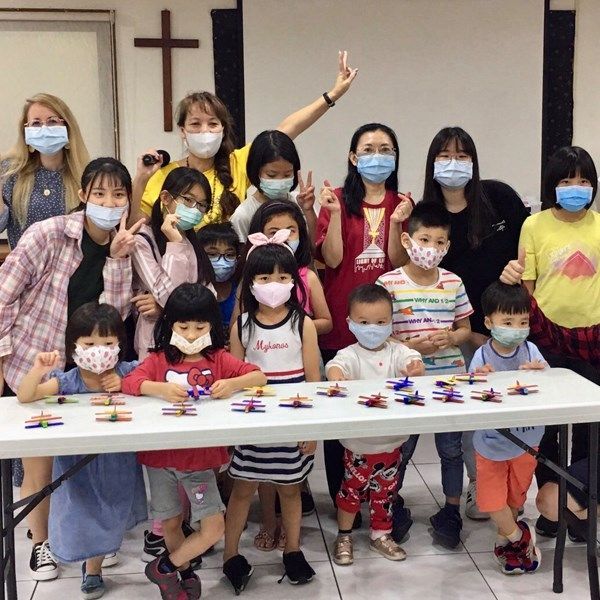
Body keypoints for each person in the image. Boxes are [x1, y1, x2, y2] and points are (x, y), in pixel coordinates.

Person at [0, 157, 141, 581]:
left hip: (90, 366)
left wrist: (116, 260)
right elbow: (4, 294)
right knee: (40, 464)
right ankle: (41, 544)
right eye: (99, 193)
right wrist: (5, 355)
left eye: (118, 194)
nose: (109, 201)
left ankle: (91, 539)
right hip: (34, 362)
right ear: (83, 195)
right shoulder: (48, 234)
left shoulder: (123, 243)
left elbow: (113, 317)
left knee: (89, 459)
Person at [122, 283, 266, 599]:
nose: (190, 334)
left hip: (199, 463)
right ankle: (182, 575)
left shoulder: (218, 359)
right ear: (169, 324)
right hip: (160, 459)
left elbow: (258, 376)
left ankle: (163, 568)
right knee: (171, 523)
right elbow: (129, 382)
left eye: (199, 327)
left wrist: (231, 383)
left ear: (212, 327)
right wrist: (157, 389)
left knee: (213, 527)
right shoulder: (159, 359)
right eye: (183, 326)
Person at [421, 126, 529, 520]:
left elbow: (526, 244)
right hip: (459, 330)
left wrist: (519, 269)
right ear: (432, 163)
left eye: (462, 155)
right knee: (471, 415)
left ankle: (513, 488)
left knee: (508, 410)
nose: (454, 163)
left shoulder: (498, 197)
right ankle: (477, 487)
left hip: (505, 327)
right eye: (445, 156)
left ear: (474, 161)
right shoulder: (426, 215)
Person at [133, 51, 358, 226]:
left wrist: (332, 95)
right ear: (182, 130)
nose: (205, 131)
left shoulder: (236, 163)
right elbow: (137, 230)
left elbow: (287, 129)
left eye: (212, 124)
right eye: (195, 124)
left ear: (223, 129)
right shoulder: (163, 175)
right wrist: (140, 180)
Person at [501, 145, 600, 537]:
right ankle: (550, 507)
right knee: (547, 429)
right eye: (565, 181)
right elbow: (528, 284)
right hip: (548, 336)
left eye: (583, 181)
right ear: (551, 186)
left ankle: (580, 505)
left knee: (590, 425)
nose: (575, 187)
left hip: (594, 336)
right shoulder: (535, 225)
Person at [17, 302, 146, 598]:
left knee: (112, 514)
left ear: (119, 345)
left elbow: (155, 381)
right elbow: (26, 396)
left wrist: (128, 384)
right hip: (77, 467)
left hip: (117, 463)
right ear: (74, 345)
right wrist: (38, 369)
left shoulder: (129, 371)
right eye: (89, 343)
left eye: (107, 343)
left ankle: (94, 568)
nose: (98, 351)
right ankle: (77, 555)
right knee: (81, 512)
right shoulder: (68, 381)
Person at [316, 122, 413, 509]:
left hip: (386, 331)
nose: (377, 157)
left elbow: (398, 260)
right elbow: (334, 259)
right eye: (368, 149)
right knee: (341, 416)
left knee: (387, 417)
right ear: (353, 158)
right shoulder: (336, 199)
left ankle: (384, 500)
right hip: (342, 324)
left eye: (385, 149)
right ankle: (345, 502)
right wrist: (335, 214)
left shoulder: (402, 203)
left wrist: (396, 222)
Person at [225, 233, 320, 593]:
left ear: (294, 281)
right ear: (250, 282)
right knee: (241, 491)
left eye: (283, 277)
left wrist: (310, 429)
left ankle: (293, 551)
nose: (274, 285)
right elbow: (235, 377)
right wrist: (236, 430)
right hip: (254, 422)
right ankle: (230, 556)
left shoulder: (303, 324)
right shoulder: (242, 326)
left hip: (293, 421)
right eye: (265, 278)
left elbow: (313, 382)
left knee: (291, 490)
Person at [376, 201, 473, 549]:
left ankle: (450, 511)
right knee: (401, 447)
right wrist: (407, 344)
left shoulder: (453, 282)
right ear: (407, 240)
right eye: (424, 239)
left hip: (449, 379)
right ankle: (390, 503)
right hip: (406, 382)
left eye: (439, 242)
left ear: (447, 246)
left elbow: (465, 328)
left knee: (451, 450)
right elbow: (378, 333)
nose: (431, 248)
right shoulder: (388, 282)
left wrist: (451, 337)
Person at [325, 284, 424, 565]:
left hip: (391, 443)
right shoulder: (350, 354)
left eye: (381, 322)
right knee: (350, 493)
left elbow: (413, 360)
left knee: (385, 495)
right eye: (364, 322)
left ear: (391, 322)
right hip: (357, 445)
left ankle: (381, 534)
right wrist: (335, 375)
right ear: (351, 323)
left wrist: (416, 369)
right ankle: (344, 535)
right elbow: (335, 366)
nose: (373, 328)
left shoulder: (397, 351)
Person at [468, 281, 544, 574]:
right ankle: (519, 536)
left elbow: (548, 388)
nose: (516, 328)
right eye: (507, 322)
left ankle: (506, 546)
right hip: (491, 442)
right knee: (490, 500)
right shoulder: (482, 356)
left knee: (514, 498)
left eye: (522, 321)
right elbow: (471, 393)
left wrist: (542, 375)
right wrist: (478, 378)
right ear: (489, 322)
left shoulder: (532, 349)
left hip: (527, 441)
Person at [132, 166, 215, 361]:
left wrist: (162, 308)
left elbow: (209, 296)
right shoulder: (142, 240)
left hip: (194, 340)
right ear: (166, 198)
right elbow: (167, 295)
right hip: (156, 340)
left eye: (202, 205)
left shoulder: (194, 242)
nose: (195, 209)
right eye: (188, 200)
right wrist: (175, 244)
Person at [0, 93, 89, 248]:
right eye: (35, 123)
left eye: (52, 121)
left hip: (71, 269)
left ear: (67, 128)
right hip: (25, 269)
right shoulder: (11, 172)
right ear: (26, 131)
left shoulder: (84, 176)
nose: (44, 129)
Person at [245, 199, 332, 335]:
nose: (283, 237)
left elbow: (326, 323)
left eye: (291, 231)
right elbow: (238, 324)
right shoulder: (251, 276)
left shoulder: (308, 277)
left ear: (300, 233)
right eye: (274, 232)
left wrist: (289, 328)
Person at [230, 130, 316, 243]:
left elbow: (316, 250)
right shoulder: (243, 215)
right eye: (271, 175)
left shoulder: (301, 202)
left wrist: (308, 211)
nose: (280, 181)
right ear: (256, 171)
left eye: (287, 174)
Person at [197, 223, 241, 335]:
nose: (222, 261)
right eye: (212, 254)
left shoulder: (240, 289)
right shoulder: (193, 289)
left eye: (229, 254)